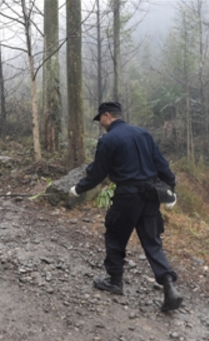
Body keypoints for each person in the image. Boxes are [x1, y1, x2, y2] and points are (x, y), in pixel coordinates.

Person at [69, 101, 183, 312]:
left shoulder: (108, 139)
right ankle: (169, 286)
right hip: (151, 195)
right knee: (152, 241)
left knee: (115, 235)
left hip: (127, 196)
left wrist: (79, 188)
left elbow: (98, 172)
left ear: (106, 116)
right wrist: (170, 190)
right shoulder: (144, 134)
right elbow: (162, 164)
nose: (101, 124)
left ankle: (115, 281)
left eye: (101, 119)